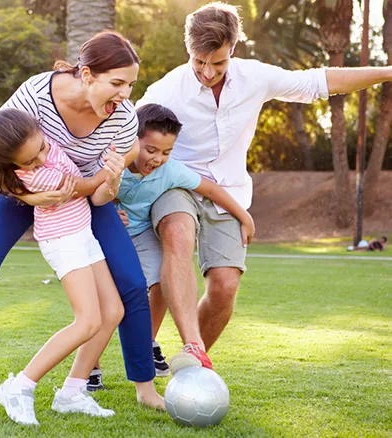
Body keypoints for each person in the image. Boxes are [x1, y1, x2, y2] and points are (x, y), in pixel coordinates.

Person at [0, 30, 165, 413]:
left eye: (131, 84)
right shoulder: (37, 94)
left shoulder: (120, 116)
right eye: (117, 83)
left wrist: (115, 173)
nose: (125, 95)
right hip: (17, 191)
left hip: (82, 194)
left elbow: (116, 169)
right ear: (87, 75)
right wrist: (32, 197)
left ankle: (142, 387)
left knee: (132, 283)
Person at [136, 1, 392, 370]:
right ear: (189, 51)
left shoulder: (254, 77)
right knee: (177, 233)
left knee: (224, 287)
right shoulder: (166, 90)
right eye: (199, 62)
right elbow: (126, 133)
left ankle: (188, 366)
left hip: (230, 192)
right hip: (177, 186)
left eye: (218, 63)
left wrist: (387, 71)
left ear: (234, 50)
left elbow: (321, 81)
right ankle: (190, 345)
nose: (208, 72)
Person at [0, 108, 124, 425]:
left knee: (113, 312)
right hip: (63, 240)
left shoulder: (44, 142)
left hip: (83, 234)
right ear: (14, 165)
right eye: (28, 162)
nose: (41, 159)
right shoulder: (36, 175)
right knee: (87, 321)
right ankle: (20, 386)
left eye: (41, 148)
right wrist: (111, 170)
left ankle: (72, 391)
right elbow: (81, 187)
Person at [91, 104, 255, 385]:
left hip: (141, 235)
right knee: (102, 299)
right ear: (133, 140)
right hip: (106, 234)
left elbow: (211, 189)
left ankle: (146, 342)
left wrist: (244, 216)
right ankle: (90, 366)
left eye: (166, 152)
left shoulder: (170, 172)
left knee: (163, 282)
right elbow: (88, 195)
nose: (158, 159)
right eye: (151, 150)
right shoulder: (110, 161)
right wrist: (108, 212)